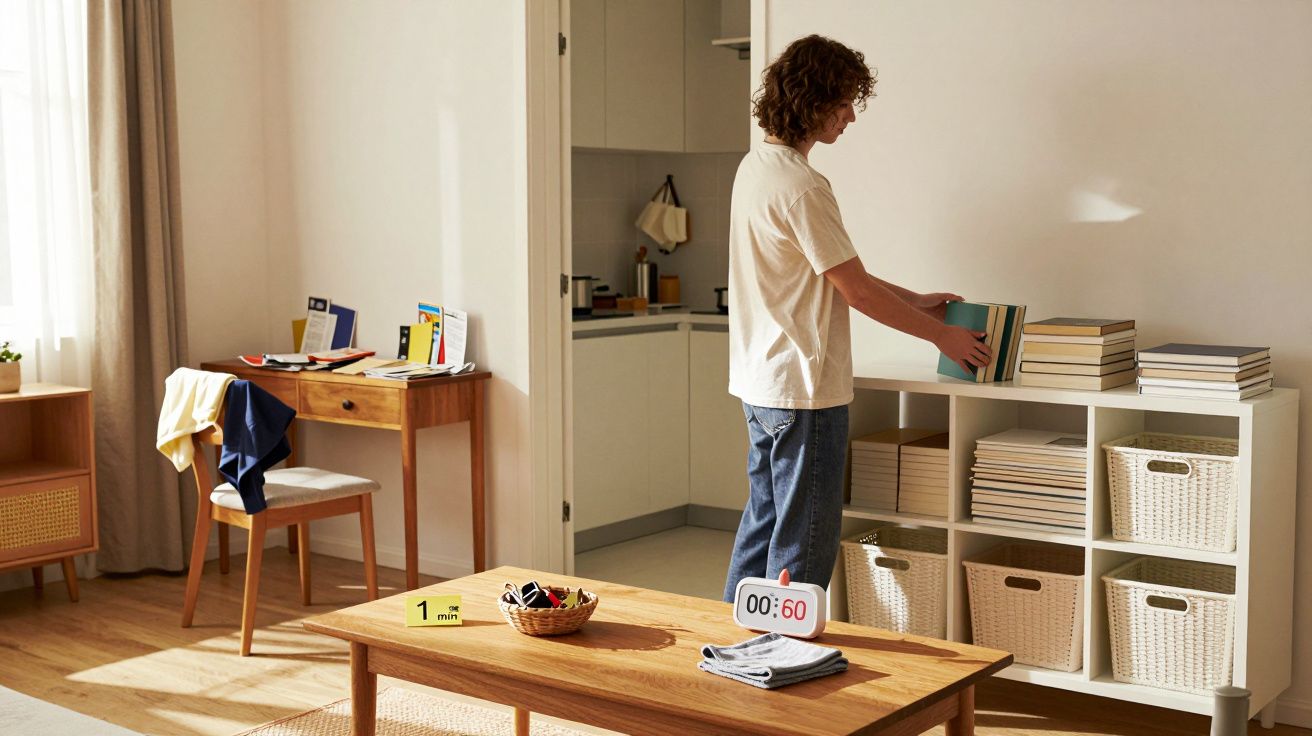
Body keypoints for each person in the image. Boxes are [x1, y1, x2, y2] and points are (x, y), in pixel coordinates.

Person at [723, 35, 991, 601]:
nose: (849, 117)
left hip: (762, 385)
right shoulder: (802, 187)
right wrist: (942, 334)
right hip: (804, 392)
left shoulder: (756, 169)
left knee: (763, 526)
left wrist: (916, 301)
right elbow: (858, 292)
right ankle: (781, 661)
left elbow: (837, 276)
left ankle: (731, 646)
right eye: (842, 103)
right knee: (805, 538)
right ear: (811, 100)